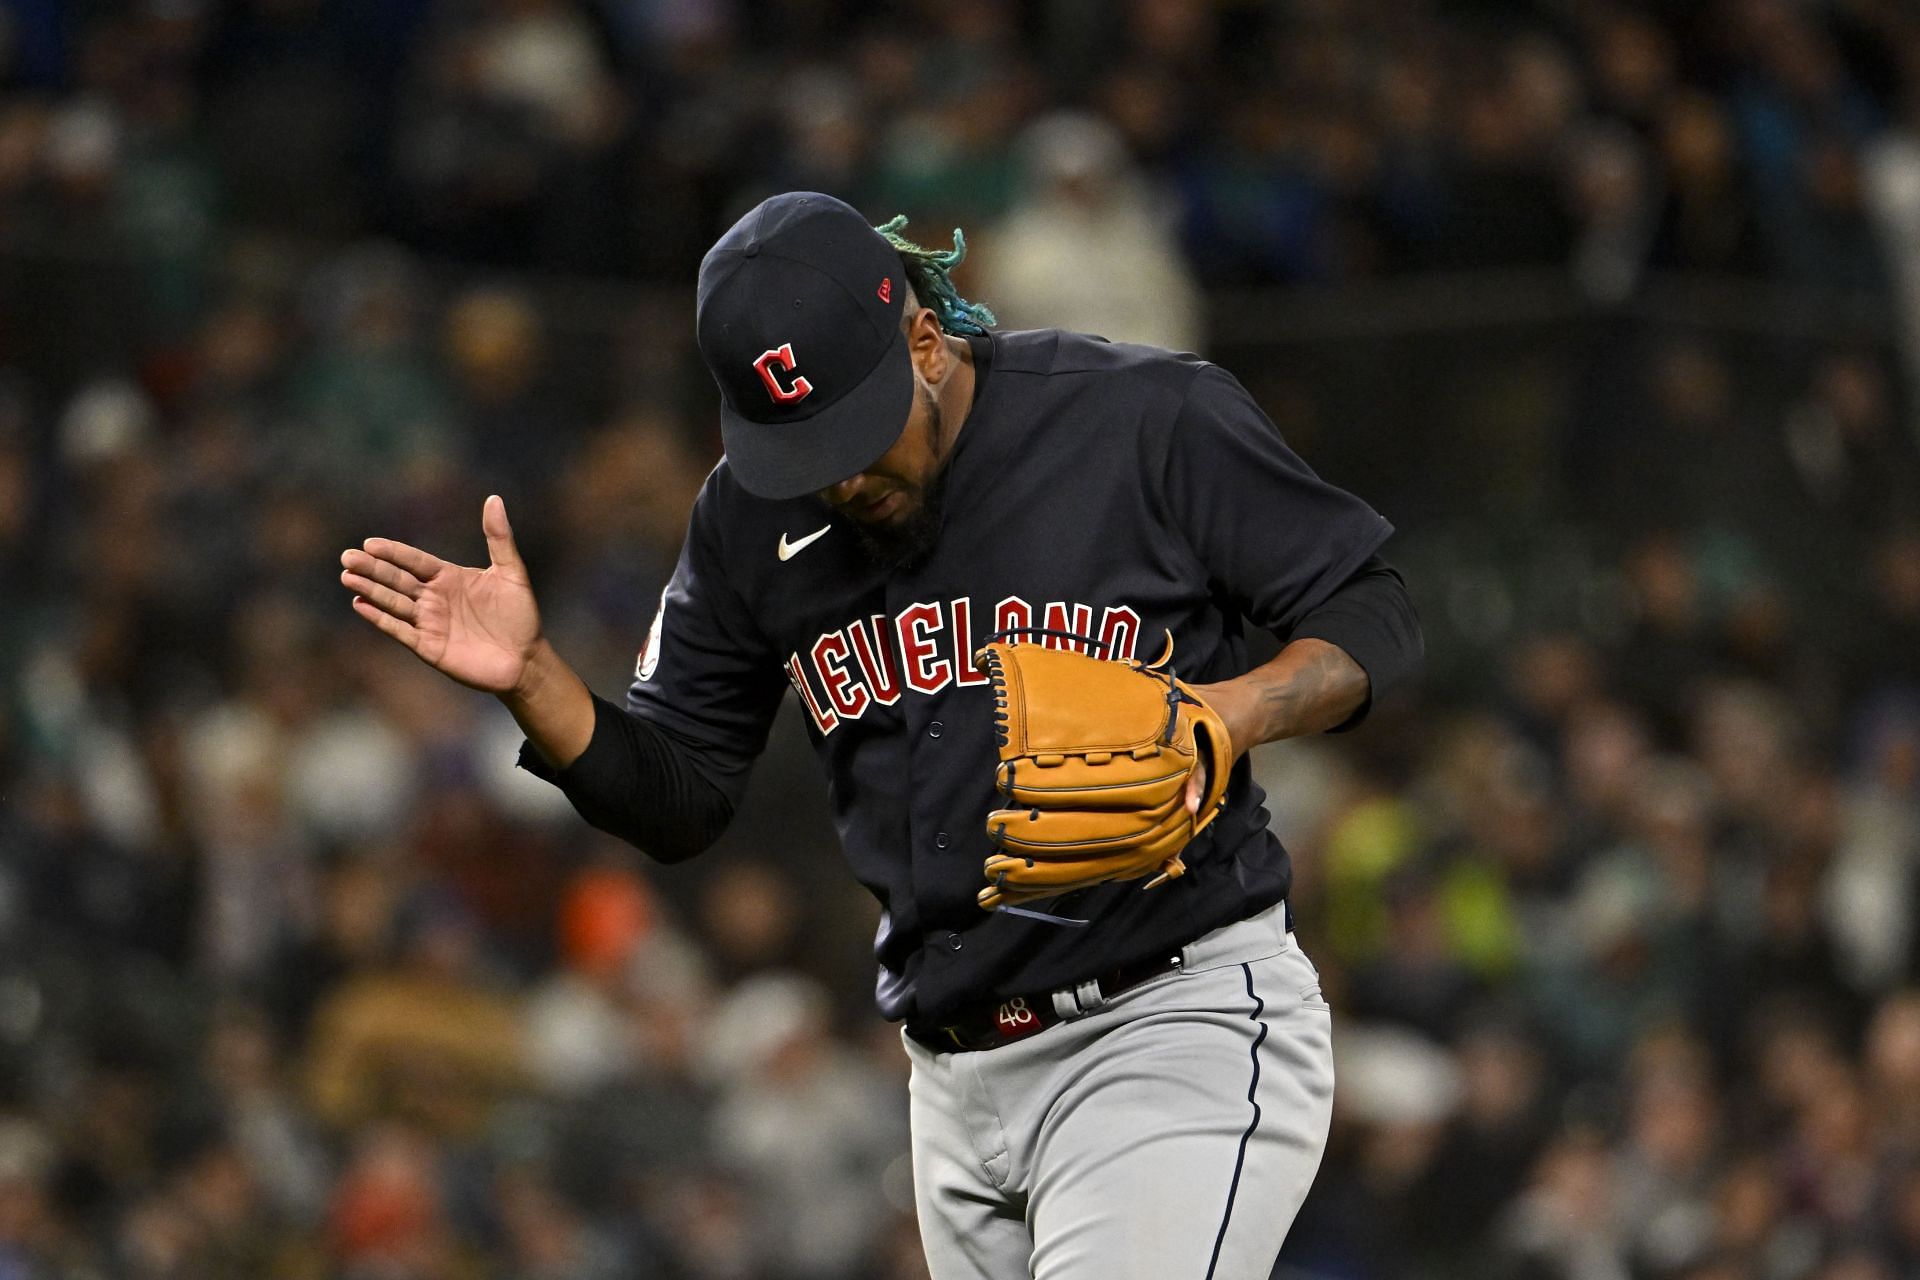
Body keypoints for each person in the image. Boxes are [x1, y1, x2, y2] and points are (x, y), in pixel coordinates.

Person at [339, 191, 1423, 1278]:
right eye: (801, 448)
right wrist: (534, 680)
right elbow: (680, 796)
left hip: (1164, 1020)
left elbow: (1371, 607)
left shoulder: (1138, 417)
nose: (842, 475)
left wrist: (1233, 710)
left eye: (856, 431)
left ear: (923, 335)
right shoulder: (746, 521)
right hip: (951, 1082)